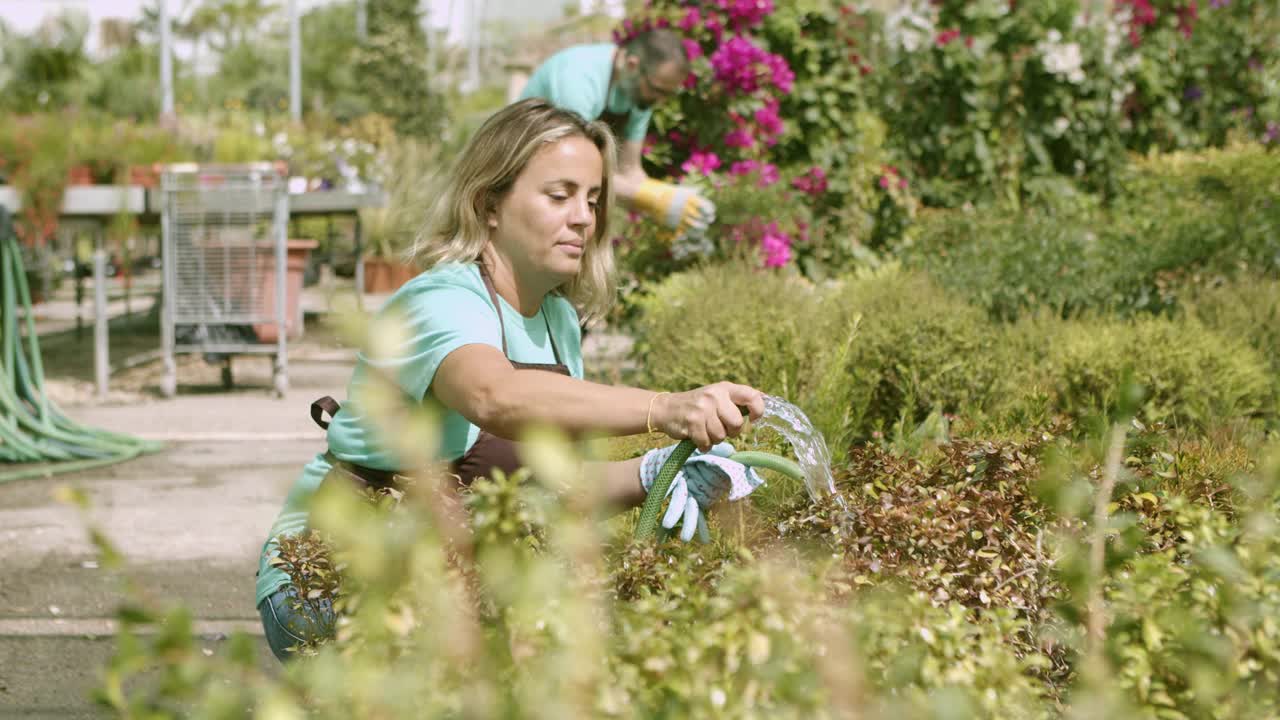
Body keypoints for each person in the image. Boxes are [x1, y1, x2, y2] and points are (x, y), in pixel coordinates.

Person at [255, 98, 767, 662]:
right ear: (488, 204)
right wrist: (668, 407)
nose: (584, 218)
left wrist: (658, 475)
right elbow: (493, 396)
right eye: (559, 196)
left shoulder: (557, 322)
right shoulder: (442, 299)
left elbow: (550, 489)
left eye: (593, 200)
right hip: (322, 583)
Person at [518, 28, 716, 242]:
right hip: (524, 167)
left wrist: (667, 201)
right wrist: (653, 199)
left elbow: (630, 169)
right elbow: (577, 170)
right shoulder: (579, 78)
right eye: (658, 90)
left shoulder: (640, 90)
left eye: (667, 94)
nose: (660, 100)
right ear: (632, 64)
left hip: (564, 181)